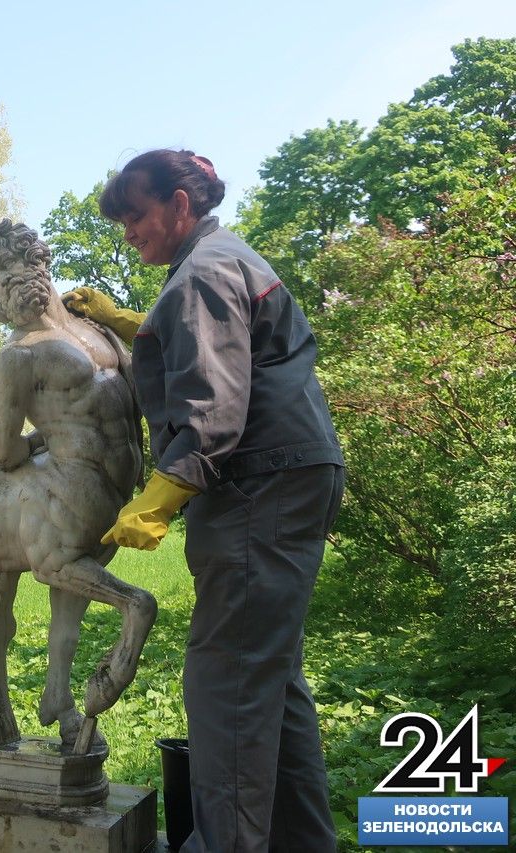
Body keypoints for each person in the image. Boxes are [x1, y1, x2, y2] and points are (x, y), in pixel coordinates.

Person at [63, 149, 344, 852]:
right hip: (286, 476)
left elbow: (214, 406)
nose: (128, 231)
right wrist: (127, 320)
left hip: (257, 484)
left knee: (227, 683)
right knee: (268, 682)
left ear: (179, 204)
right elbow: (207, 344)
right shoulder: (218, 261)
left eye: (137, 215)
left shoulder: (204, 273)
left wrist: (162, 492)